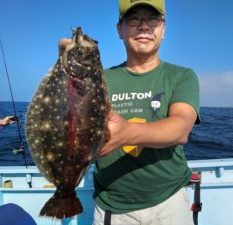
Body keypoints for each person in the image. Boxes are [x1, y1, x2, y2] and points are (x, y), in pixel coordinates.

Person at [60, 0, 200, 224]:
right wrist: (64, 66)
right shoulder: (98, 79)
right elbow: (75, 128)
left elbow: (181, 128)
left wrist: (126, 133)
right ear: (120, 29)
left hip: (170, 201)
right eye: (134, 19)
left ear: (163, 29)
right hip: (112, 207)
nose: (144, 26)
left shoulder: (181, 76)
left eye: (152, 19)